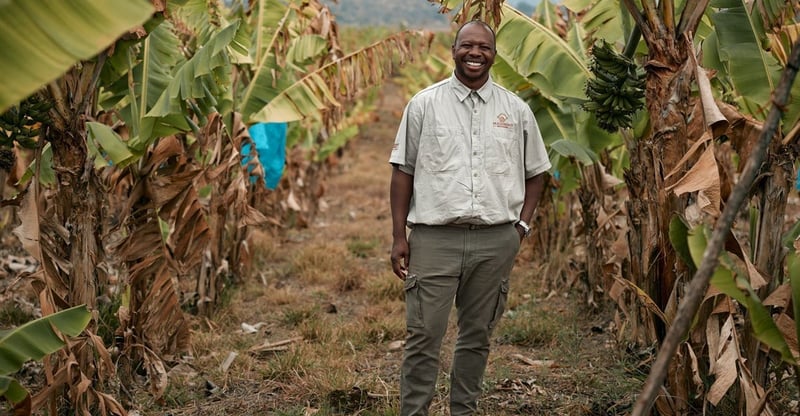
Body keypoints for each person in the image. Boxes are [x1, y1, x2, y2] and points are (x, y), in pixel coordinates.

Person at [388, 20, 551, 416]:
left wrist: (522, 226)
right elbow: (403, 171)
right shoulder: (424, 104)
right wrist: (398, 236)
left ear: (494, 54)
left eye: (484, 47)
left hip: (496, 240)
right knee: (423, 336)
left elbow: (538, 172)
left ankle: (464, 409)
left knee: (477, 336)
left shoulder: (515, 109)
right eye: (467, 45)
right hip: (434, 239)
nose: (475, 53)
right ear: (454, 50)